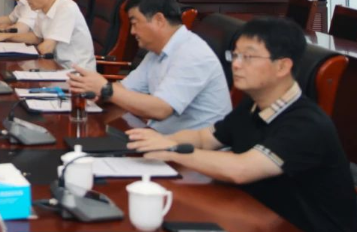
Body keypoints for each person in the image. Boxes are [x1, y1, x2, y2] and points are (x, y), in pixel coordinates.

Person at [127, 17, 357, 232]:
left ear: (282, 66)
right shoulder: (252, 105)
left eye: (248, 57)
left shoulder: (306, 124)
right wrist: (160, 141)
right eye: (235, 55)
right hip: (257, 216)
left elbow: (241, 169)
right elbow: (205, 138)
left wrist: (172, 150)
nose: (236, 65)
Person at [68, 0, 231, 133]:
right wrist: (94, 90)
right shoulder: (156, 52)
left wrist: (106, 89)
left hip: (193, 151)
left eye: (134, 23)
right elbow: (126, 89)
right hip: (159, 138)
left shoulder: (192, 54)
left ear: (159, 20)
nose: (132, 31)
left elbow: (161, 109)